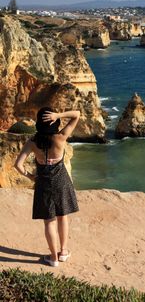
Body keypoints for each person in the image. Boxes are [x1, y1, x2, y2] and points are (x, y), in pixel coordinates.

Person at [14, 107, 80, 267]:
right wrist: (58, 115)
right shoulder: (60, 137)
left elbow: (18, 165)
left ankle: (53, 258)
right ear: (54, 122)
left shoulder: (32, 142)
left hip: (43, 183)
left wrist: (31, 177)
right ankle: (63, 252)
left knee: (49, 221)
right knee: (62, 216)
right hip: (61, 181)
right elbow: (76, 114)